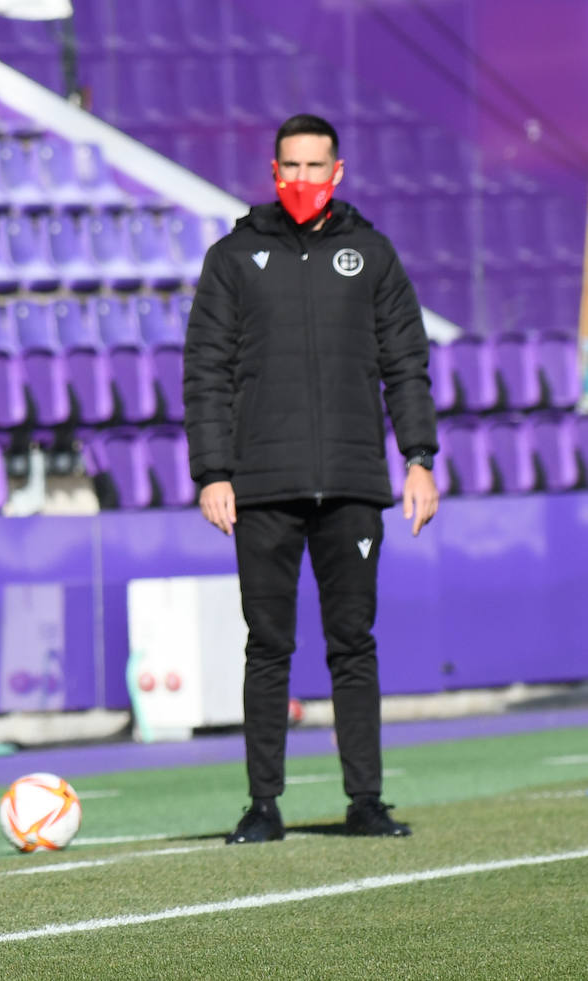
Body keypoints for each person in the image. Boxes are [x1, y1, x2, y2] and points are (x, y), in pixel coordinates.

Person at [183, 114, 439, 845]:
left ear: (339, 171)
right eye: (288, 167)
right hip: (261, 486)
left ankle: (366, 799)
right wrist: (213, 472)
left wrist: (418, 456)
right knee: (268, 645)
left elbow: (406, 364)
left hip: (354, 484)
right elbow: (204, 373)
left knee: (352, 643)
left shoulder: (374, 254)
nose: (301, 180)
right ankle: (263, 804)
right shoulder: (232, 258)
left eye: (313, 167)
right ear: (273, 172)